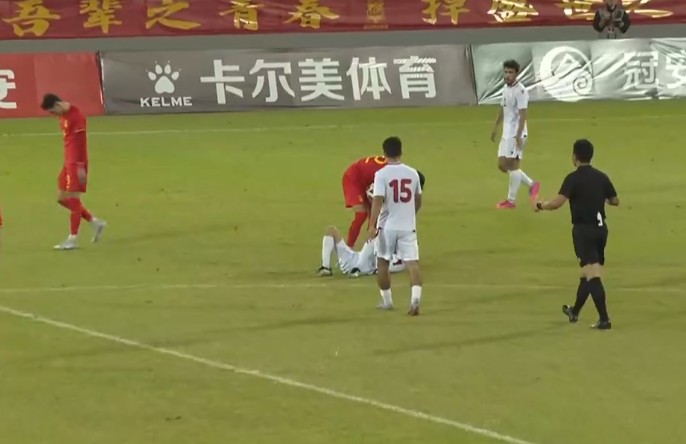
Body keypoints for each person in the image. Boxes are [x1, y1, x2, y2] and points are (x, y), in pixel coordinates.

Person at [535, 139, 619, 330]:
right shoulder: (601, 177)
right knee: (586, 273)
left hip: (584, 231)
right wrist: (599, 197)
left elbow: (557, 203)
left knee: (592, 274)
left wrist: (541, 205)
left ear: (575, 157)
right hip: (601, 231)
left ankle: (604, 319)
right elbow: (615, 200)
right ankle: (575, 311)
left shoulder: (573, 178)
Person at [40, 93, 106, 250]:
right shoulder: (63, 115)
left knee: (74, 199)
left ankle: (73, 238)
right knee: (61, 198)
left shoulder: (77, 117)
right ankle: (95, 222)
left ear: (58, 105)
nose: (53, 115)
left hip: (77, 163)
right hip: (68, 162)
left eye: (52, 111)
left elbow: (81, 144)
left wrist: (81, 167)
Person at [367, 137, 423, 315]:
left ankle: (387, 302)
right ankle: (415, 301)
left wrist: (371, 225)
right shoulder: (413, 173)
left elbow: (377, 200)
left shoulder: (381, 174)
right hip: (407, 226)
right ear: (401, 151)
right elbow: (418, 199)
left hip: (387, 227)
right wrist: (410, 215)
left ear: (384, 154)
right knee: (412, 263)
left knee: (382, 263)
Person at [490, 60, 540, 209]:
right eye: (506, 72)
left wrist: (518, 135)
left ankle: (511, 201)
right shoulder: (506, 88)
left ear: (516, 73)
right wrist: (495, 126)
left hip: (517, 134)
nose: (507, 75)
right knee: (502, 165)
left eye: (510, 72)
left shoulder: (521, 91)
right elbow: (503, 108)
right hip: (506, 133)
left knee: (513, 166)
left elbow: (523, 114)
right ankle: (532, 184)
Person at [317, 226, 405, 278]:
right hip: (355, 259)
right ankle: (326, 268)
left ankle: (326, 267)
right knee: (331, 231)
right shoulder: (395, 255)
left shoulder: (393, 257)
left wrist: (358, 268)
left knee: (332, 231)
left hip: (356, 264)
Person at [341, 155, 388, 247]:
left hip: (368, 181)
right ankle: (349, 247)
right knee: (361, 214)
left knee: (375, 216)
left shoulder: (390, 167)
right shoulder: (390, 172)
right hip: (353, 179)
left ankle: (370, 248)